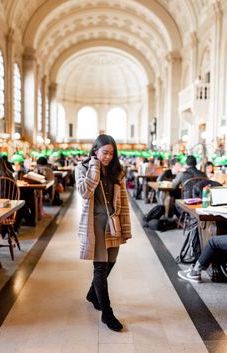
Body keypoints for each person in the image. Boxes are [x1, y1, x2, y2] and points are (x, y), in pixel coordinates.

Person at [75, 134, 132, 332]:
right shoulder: (81, 168)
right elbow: (84, 192)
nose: (108, 157)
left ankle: (92, 293)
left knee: (112, 261)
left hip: (113, 222)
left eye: (111, 153)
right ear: (95, 151)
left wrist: (125, 224)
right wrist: (94, 167)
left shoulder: (117, 171)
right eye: (104, 153)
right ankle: (107, 313)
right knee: (100, 266)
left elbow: (123, 200)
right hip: (95, 223)